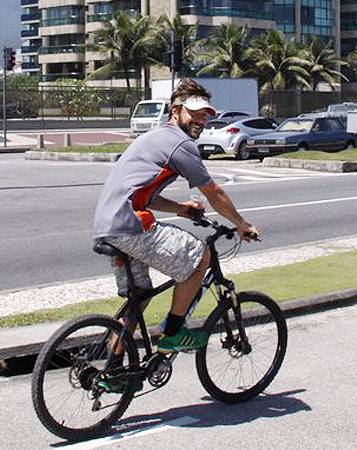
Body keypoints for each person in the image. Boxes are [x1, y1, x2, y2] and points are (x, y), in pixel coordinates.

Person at [93, 78, 259, 362]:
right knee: (201, 256)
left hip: (108, 227)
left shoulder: (155, 138)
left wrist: (181, 209)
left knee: (140, 297)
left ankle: (112, 370)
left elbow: (143, 196)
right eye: (193, 113)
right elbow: (214, 192)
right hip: (130, 226)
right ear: (175, 111)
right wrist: (242, 224)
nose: (199, 120)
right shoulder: (179, 143)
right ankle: (172, 333)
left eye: (204, 115)